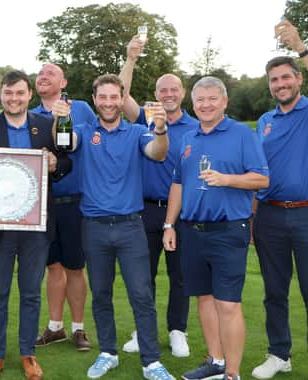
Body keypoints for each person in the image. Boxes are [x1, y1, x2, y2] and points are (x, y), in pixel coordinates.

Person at [52, 73, 175, 380]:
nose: (108, 103)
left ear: (122, 99)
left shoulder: (137, 131)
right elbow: (63, 143)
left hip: (131, 227)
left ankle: (151, 362)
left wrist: (160, 129)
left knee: (141, 295)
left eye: (113, 97)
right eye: (102, 97)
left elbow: (158, 153)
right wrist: (59, 120)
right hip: (94, 227)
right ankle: (108, 352)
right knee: (102, 294)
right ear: (95, 100)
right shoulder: (82, 128)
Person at [162, 76, 269, 380]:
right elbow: (178, 184)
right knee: (204, 298)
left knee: (227, 303)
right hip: (191, 231)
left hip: (228, 230)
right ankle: (216, 362)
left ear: (224, 102)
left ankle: (232, 374)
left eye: (212, 99)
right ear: (192, 104)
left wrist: (227, 179)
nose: (206, 105)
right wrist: (169, 224)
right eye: (200, 100)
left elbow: (262, 179)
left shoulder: (241, 134)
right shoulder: (188, 137)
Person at [251, 20, 308, 380]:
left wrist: (301, 45)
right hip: (270, 217)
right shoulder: (264, 121)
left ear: (299, 79)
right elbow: (258, 174)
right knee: (274, 293)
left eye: (287, 78)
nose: (281, 84)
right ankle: (279, 354)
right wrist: (254, 218)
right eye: (274, 80)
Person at [0, 69, 71, 380]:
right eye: (8, 93)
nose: (14, 99)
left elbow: (66, 161)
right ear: (1, 95)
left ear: (29, 95)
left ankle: (28, 353)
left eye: (19, 93)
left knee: (30, 293)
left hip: (35, 226)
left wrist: (55, 164)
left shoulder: (46, 125)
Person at [118, 35, 197, 357]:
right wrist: (130, 59)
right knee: (143, 277)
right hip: (146, 210)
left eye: (173, 89)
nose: (168, 94)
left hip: (183, 212)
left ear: (182, 93)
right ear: (156, 96)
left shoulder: (196, 125)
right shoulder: (147, 119)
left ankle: (178, 330)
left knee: (180, 277)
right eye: (162, 90)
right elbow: (121, 97)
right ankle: (143, 329)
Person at [30, 63, 95, 351]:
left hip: (74, 202)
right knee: (52, 267)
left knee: (74, 267)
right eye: (41, 73)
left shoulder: (80, 108)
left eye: (51, 73)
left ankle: (79, 329)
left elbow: (85, 145)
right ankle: (55, 327)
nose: (44, 76)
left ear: (63, 82)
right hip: (42, 203)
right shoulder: (29, 115)